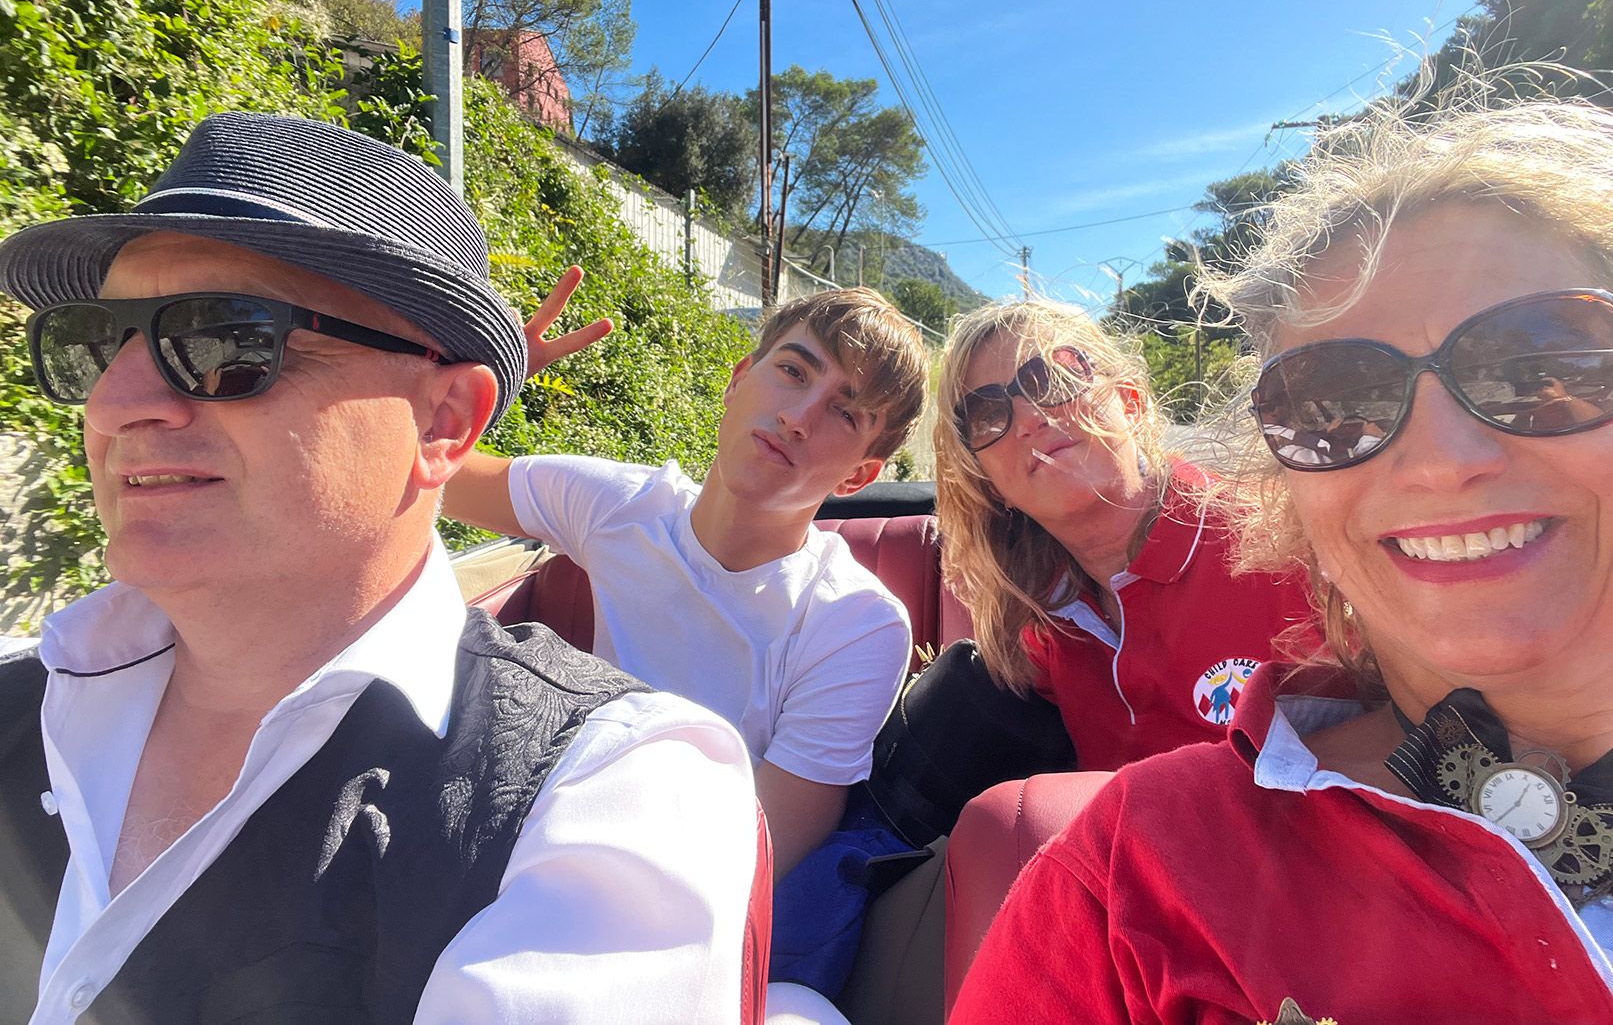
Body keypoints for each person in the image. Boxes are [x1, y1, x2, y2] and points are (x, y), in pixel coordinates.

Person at [0, 113, 761, 1023]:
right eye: (96, 342)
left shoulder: (605, 800)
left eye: (228, 339)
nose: (115, 402)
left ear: (444, 421)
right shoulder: (19, 696)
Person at [952, 91, 1613, 1023]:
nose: (1439, 460)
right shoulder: (1048, 655)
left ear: (1132, 402)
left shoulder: (1257, 567)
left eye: (1540, 368)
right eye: (1331, 406)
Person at [439, 283, 928, 1003]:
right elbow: (430, 472)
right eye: (793, 371)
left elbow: (757, 854)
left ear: (859, 474)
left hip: (690, 909)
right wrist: (488, 382)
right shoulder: (615, 505)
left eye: (845, 412)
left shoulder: (856, 624)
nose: (798, 417)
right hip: (533, 832)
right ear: (738, 379)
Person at [932, 301, 1313, 768]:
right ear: (992, 485)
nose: (1029, 417)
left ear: (1130, 402)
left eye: (1053, 377)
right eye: (987, 415)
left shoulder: (1278, 549)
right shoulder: (1040, 623)